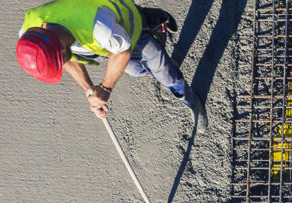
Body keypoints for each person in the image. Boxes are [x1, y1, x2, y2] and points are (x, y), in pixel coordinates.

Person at [16, 0, 206, 131]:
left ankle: (190, 100)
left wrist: (105, 90)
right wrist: (90, 92)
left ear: (61, 46)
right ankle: (151, 20)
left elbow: (122, 52)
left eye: (60, 59)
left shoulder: (100, 28)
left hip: (128, 27)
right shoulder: (30, 33)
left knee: (166, 73)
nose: (63, 63)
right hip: (111, 38)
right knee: (137, 70)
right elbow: (67, 60)